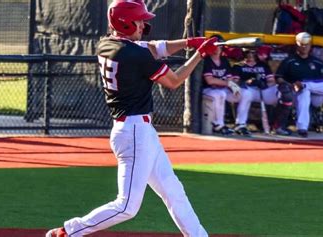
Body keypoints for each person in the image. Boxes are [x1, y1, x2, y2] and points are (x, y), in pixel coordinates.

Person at [46, 1, 214, 236]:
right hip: (134, 133)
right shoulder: (135, 55)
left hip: (139, 131)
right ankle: (69, 231)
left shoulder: (107, 44)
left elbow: (154, 48)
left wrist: (188, 43)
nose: (143, 24)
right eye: (139, 21)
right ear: (124, 23)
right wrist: (199, 55)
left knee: (173, 190)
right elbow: (174, 81)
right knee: (126, 206)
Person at [275, 32, 323, 137]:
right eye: (302, 44)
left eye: (307, 44)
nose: (304, 47)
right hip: (294, 94)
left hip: (316, 95)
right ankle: (302, 128)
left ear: (310, 46)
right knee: (304, 93)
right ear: (297, 44)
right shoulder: (289, 60)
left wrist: (307, 85)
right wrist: (291, 85)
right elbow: (278, 78)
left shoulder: (317, 62)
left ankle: (305, 85)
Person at [231, 48, 277, 136]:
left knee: (281, 92)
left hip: (262, 90)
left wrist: (264, 83)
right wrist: (245, 82)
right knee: (246, 94)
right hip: (247, 89)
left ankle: (278, 125)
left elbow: (271, 80)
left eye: (252, 52)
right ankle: (240, 124)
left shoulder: (263, 65)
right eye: (247, 52)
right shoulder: (238, 66)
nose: (250, 55)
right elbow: (234, 83)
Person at [201, 35, 241, 136]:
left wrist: (235, 88)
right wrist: (227, 83)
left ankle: (241, 124)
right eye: (215, 46)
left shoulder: (224, 60)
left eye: (219, 46)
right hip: (208, 90)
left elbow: (229, 79)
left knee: (244, 94)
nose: (217, 48)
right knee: (220, 94)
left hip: (222, 89)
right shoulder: (207, 60)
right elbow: (210, 81)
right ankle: (218, 124)